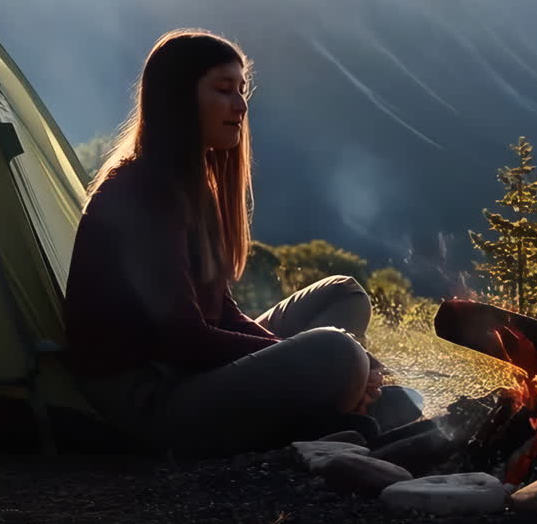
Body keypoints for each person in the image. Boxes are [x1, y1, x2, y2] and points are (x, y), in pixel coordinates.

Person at [64, 28, 386, 456]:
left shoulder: (190, 184)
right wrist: (308, 358)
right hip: (154, 398)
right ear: (178, 99)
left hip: (191, 371)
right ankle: (337, 408)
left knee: (343, 295)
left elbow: (223, 313)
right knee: (337, 354)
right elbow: (183, 339)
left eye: (242, 89)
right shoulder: (143, 191)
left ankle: (339, 404)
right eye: (223, 89)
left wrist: (291, 356)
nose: (241, 105)